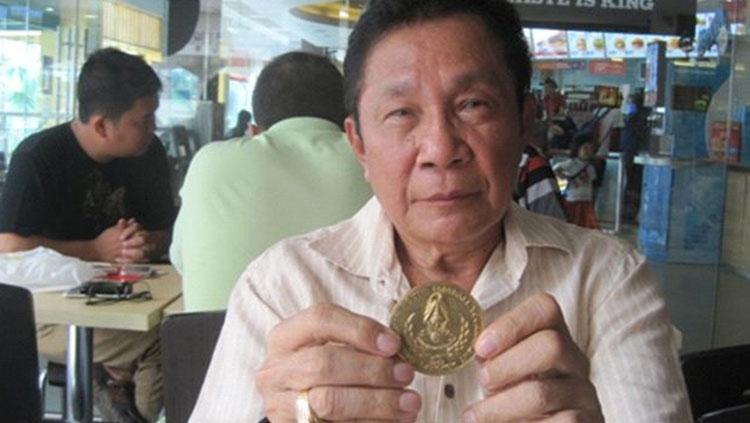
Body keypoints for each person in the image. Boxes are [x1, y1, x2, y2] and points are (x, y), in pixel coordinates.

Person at [191, 1, 691, 421]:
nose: (440, 147)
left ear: (524, 123)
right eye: (402, 112)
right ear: (359, 145)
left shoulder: (609, 281)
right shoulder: (282, 287)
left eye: (473, 104)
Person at [0, 48, 175, 422]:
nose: (153, 128)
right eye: (143, 120)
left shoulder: (151, 153)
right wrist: (95, 249)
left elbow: (163, 232)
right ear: (101, 126)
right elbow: (11, 248)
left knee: (176, 327)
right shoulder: (37, 157)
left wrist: (140, 244)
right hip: (46, 314)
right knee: (164, 342)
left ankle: (113, 385)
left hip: (129, 298)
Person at [169, 51, 372, 312]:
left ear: (254, 131)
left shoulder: (208, 163)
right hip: (349, 348)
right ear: (350, 128)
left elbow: (181, 260)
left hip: (216, 349)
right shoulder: (372, 163)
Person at [554, 138, 600, 229]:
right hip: (573, 199)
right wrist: (565, 177)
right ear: (578, 149)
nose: (588, 151)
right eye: (585, 148)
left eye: (591, 149)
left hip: (586, 200)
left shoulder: (590, 167)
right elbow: (556, 169)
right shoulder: (572, 163)